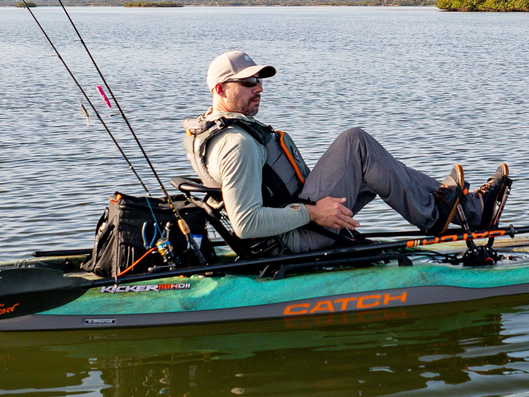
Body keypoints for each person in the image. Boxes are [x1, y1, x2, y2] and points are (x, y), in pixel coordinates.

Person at [183, 50, 510, 253]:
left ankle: (466, 208)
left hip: (297, 220)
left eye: (258, 80)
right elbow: (246, 223)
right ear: (220, 89)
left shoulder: (211, 129)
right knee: (356, 143)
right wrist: (313, 213)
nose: (259, 88)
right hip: (298, 235)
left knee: (371, 164)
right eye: (248, 82)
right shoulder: (237, 144)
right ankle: (450, 213)